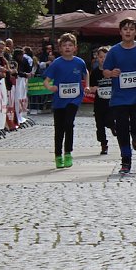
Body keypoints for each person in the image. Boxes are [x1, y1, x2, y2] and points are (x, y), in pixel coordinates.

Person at [102, 17, 136, 175]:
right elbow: (105, 71)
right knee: (122, 129)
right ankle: (126, 160)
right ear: (120, 32)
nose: (128, 32)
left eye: (131, 29)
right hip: (119, 98)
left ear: (135, 32)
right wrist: (111, 73)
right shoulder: (114, 51)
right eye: (125, 29)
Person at [43, 33, 88, 169]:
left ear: (75, 48)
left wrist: (86, 86)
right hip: (59, 100)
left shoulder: (79, 62)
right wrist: (50, 87)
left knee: (69, 123)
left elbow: (86, 73)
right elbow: (46, 81)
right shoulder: (57, 63)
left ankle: (68, 153)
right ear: (60, 48)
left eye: (70, 45)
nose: (67, 48)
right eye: (64, 45)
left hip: (74, 98)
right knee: (59, 128)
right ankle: (58, 155)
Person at [88, 46, 114, 154]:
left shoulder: (113, 71)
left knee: (109, 120)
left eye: (105, 57)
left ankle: (113, 126)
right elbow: (90, 87)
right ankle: (104, 144)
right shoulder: (95, 72)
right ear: (97, 58)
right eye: (101, 57)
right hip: (99, 103)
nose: (103, 59)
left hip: (112, 103)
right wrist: (93, 88)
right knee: (99, 125)